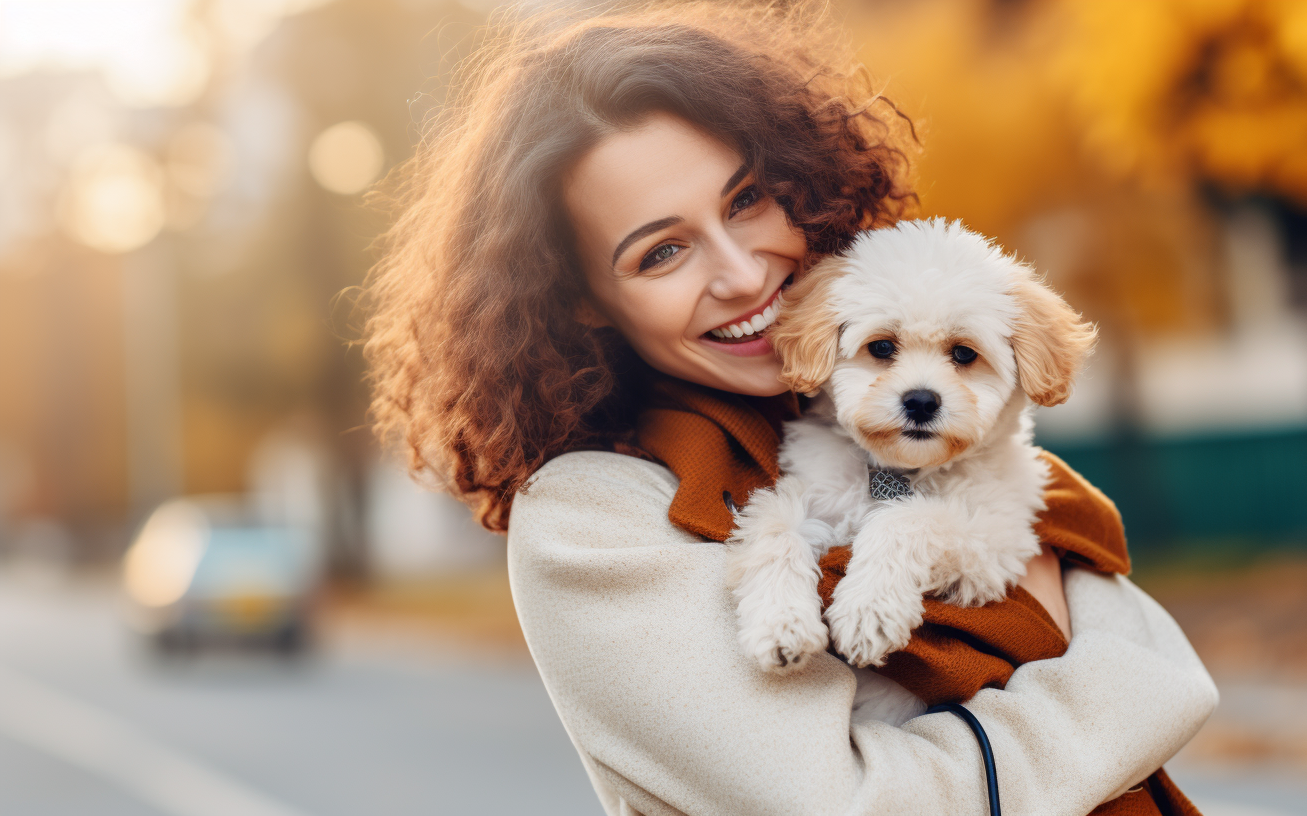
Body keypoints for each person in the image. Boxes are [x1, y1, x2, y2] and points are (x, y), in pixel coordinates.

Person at [362, 4, 1217, 814]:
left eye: (746, 200)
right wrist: (1121, 702)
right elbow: (840, 801)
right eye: (662, 252)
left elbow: (1073, 557)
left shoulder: (881, 398)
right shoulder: (594, 518)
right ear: (579, 300)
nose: (740, 275)